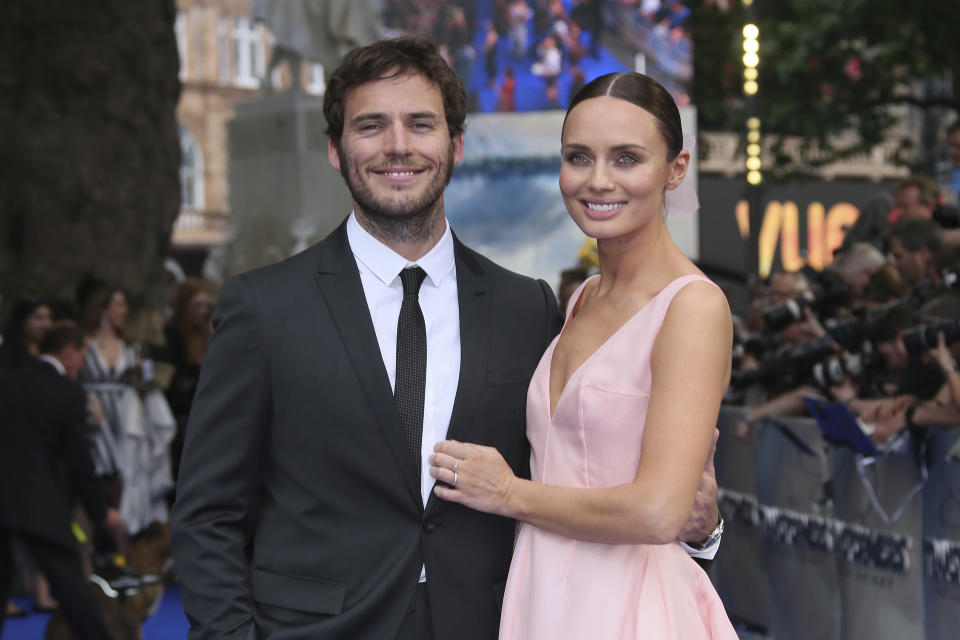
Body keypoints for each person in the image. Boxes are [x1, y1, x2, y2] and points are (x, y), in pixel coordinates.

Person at [171, 37, 720, 640]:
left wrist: (701, 525)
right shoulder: (264, 307)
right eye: (371, 125)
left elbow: (594, 470)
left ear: (455, 146)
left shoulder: (527, 306)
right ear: (335, 149)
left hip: (500, 622)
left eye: (421, 124)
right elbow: (208, 515)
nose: (398, 145)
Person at [428, 71, 736, 639]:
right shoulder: (583, 298)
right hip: (544, 593)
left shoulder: (693, 307)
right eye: (578, 157)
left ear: (676, 169)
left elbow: (659, 512)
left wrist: (507, 493)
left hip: (631, 607)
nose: (597, 180)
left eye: (626, 158)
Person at [0, 321, 124, 639]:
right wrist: (101, 511)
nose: (83, 364)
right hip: (37, 502)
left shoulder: (7, 381)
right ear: (68, 352)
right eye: (82, 356)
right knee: (72, 589)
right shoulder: (69, 393)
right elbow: (80, 462)